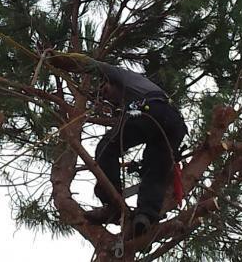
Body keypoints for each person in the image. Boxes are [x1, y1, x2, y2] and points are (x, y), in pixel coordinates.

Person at [46, 50, 187, 236]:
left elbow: (91, 65)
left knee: (106, 147)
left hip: (153, 111)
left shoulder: (122, 76)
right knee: (154, 170)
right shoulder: (133, 98)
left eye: (106, 90)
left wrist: (61, 61)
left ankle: (112, 203)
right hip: (174, 124)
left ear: (113, 82)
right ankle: (145, 217)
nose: (106, 97)